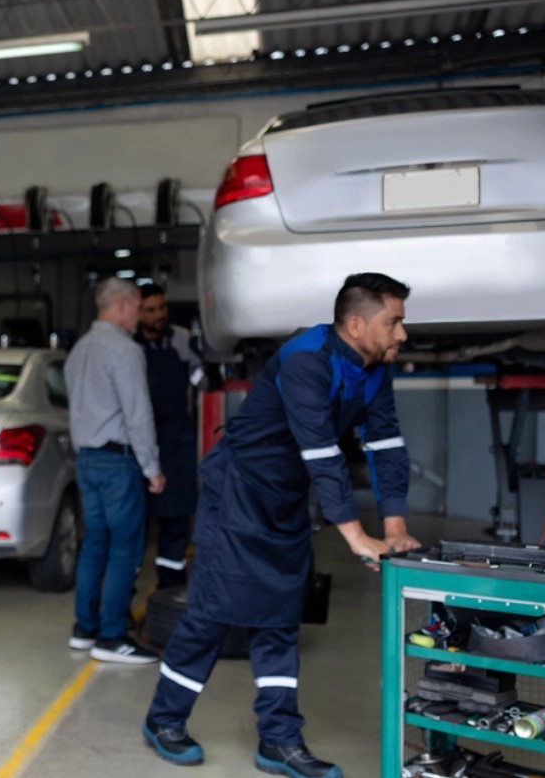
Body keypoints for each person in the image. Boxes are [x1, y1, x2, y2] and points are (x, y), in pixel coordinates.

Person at [142, 272, 422, 777]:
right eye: (393, 322)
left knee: (279, 619)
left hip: (287, 500)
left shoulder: (375, 366)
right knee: (210, 613)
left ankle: (279, 740)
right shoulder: (305, 360)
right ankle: (164, 719)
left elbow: (385, 443)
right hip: (238, 493)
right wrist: (357, 536)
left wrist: (395, 526)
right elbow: (321, 452)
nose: (402, 334)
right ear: (355, 324)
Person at [64, 277, 166, 664]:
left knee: (94, 545)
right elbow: (138, 415)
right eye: (138, 308)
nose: (139, 316)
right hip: (117, 462)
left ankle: (84, 629)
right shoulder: (124, 350)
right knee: (125, 548)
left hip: (87, 459)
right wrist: (152, 468)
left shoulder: (79, 350)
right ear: (122, 305)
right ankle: (111, 637)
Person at [133, 283, 211, 590]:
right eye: (151, 310)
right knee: (135, 523)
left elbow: (203, 381)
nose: (159, 315)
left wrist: (208, 369)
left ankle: (171, 589)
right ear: (138, 312)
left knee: (176, 521)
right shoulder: (129, 346)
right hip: (141, 439)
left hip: (178, 440)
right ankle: (125, 592)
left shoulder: (180, 340)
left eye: (162, 308)